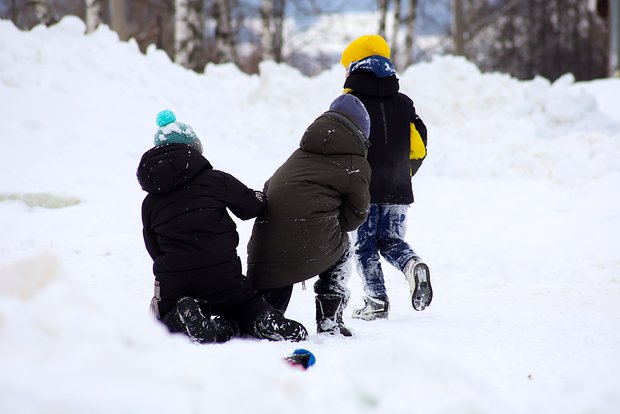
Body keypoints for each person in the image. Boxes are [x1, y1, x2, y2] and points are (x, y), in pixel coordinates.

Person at [137, 110, 308, 343]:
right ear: (193, 150)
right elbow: (251, 208)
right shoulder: (216, 180)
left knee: (162, 323)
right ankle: (262, 318)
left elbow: (153, 248)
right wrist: (260, 196)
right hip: (223, 277)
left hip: (177, 283)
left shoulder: (150, 202)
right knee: (242, 304)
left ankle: (180, 316)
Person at [247, 95, 372, 337]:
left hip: (264, 247)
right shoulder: (355, 165)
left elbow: (269, 187)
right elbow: (356, 216)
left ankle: (259, 318)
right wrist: (329, 223)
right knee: (344, 245)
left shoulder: (299, 155)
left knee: (264, 314)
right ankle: (329, 321)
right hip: (306, 244)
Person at [339, 34, 433, 321]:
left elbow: (338, 143)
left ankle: (376, 301)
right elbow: (418, 145)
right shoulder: (403, 102)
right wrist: (404, 175)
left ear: (356, 67)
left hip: (363, 187)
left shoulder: (349, 102)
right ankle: (412, 265)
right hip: (398, 187)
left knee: (365, 245)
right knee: (392, 241)